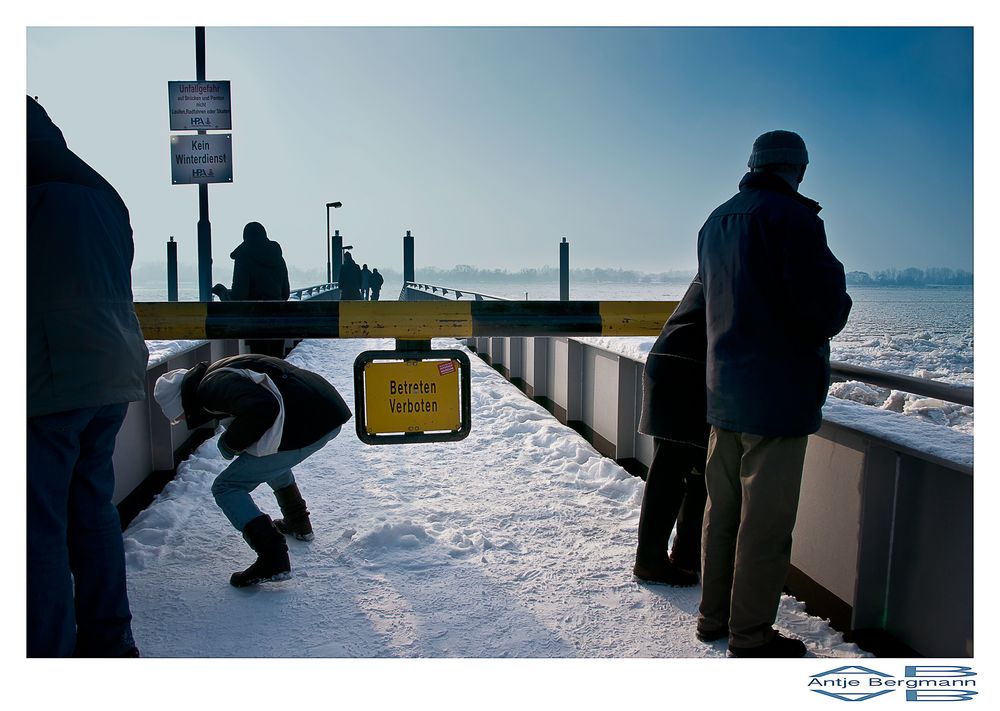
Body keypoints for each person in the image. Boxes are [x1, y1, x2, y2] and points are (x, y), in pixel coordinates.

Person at [695, 130, 852, 657]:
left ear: (753, 164)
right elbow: (821, 310)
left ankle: (713, 618)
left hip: (723, 394)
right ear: (798, 169)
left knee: (722, 514)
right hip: (777, 398)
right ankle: (751, 635)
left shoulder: (716, 220)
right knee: (765, 526)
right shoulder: (796, 221)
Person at [27, 95, 149, 657]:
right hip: (112, 369)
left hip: (49, 376)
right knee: (93, 512)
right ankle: (110, 644)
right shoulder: (101, 189)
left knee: (38, 529)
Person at [153, 354, 352, 587]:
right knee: (268, 456)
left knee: (227, 487)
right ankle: (298, 523)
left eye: (178, 416)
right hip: (324, 411)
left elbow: (262, 407)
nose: (182, 420)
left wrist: (230, 443)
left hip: (309, 421)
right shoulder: (219, 370)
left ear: (181, 402)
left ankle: (273, 558)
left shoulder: (209, 389)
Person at [633, 275, 709, 587]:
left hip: (677, 363)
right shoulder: (746, 264)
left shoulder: (721, 257)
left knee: (696, 468)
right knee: (673, 468)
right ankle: (651, 559)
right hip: (685, 370)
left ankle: (684, 556)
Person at [229, 221, 290, 357]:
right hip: (279, 322)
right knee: (276, 365)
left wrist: (223, 292)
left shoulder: (243, 258)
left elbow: (239, 295)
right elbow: (285, 293)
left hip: (255, 322)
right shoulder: (279, 259)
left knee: (259, 366)